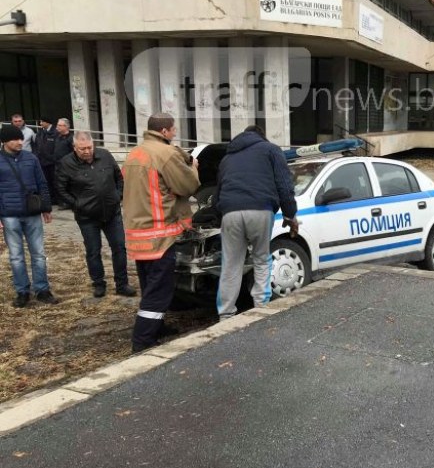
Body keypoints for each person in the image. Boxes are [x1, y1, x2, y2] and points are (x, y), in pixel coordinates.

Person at [122, 113, 199, 353]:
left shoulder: (134, 153)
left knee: (149, 287)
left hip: (138, 235)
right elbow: (188, 186)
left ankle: (157, 327)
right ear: (164, 131)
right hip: (159, 236)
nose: (174, 133)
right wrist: (193, 168)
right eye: (173, 130)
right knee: (159, 292)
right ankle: (142, 341)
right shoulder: (165, 154)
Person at [215, 125, 298, 321]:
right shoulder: (270, 150)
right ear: (262, 136)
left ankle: (225, 315)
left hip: (230, 212)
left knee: (231, 265)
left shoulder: (227, 158)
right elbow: (284, 185)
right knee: (261, 259)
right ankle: (260, 308)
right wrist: (290, 214)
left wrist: (222, 219)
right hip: (260, 209)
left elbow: (218, 191)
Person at [56, 131, 137, 299]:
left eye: (89, 147)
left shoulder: (105, 155)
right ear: (74, 147)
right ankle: (99, 284)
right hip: (87, 217)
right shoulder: (66, 163)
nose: (86, 151)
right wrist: (77, 204)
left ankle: (122, 284)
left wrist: (118, 195)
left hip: (112, 212)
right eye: (82, 149)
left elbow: (119, 177)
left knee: (119, 248)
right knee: (93, 251)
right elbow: (61, 189)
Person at [0, 123, 58, 307]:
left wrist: (46, 207)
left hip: (32, 213)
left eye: (20, 138)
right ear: (4, 141)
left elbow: (42, 183)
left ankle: (42, 289)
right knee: (16, 256)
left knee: (39, 253)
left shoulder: (31, 158)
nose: (20, 141)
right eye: (15, 139)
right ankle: (22, 291)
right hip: (9, 215)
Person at [33, 115, 58, 204]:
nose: (40, 123)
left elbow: (57, 147)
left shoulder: (55, 132)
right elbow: (36, 145)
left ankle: (56, 199)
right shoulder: (40, 132)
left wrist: (53, 158)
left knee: (54, 181)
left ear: (47, 122)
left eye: (42, 122)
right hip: (42, 161)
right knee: (46, 181)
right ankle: (51, 198)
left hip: (52, 162)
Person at [52, 118, 74, 208]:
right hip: (58, 165)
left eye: (60, 125)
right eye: (57, 125)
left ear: (66, 126)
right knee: (59, 184)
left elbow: (73, 152)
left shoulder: (71, 138)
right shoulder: (57, 137)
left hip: (68, 166)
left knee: (68, 184)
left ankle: (70, 202)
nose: (57, 127)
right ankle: (63, 202)